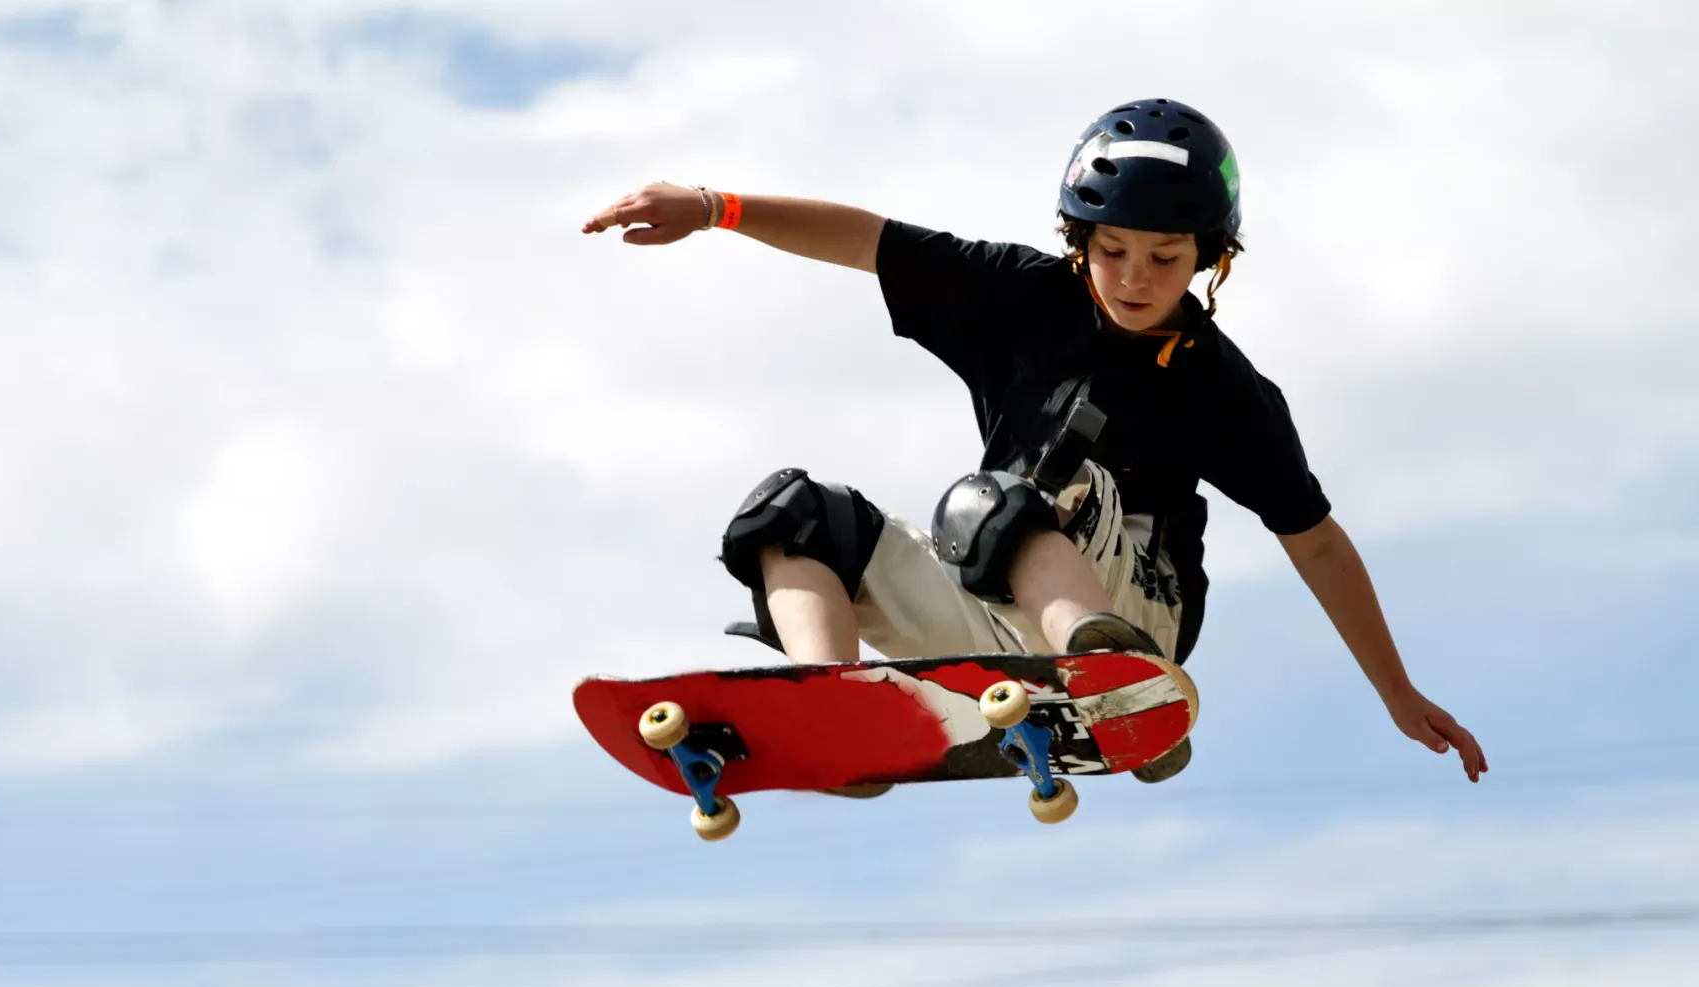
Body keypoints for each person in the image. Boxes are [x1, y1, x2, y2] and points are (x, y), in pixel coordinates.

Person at [583, 98, 1486, 787]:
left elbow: (1316, 540)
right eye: (1113, 251)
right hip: (993, 601)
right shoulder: (1017, 295)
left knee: (991, 502)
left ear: (1208, 256)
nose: (1134, 278)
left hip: (1136, 614)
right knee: (793, 513)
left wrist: (1396, 693)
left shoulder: (1225, 387)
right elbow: (869, 241)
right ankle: (832, 706)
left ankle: (1106, 672)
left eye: (1165, 258)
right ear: (1078, 239)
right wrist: (713, 207)